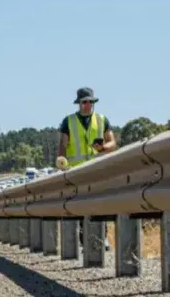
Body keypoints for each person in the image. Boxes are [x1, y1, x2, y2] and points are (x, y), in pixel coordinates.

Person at [57, 87, 117, 251]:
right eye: (84, 102)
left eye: (90, 102)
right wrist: (62, 165)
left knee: (100, 203)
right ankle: (85, 241)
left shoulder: (102, 119)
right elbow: (62, 145)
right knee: (81, 205)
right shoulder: (68, 121)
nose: (87, 105)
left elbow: (113, 143)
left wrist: (103, 147)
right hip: (76, 171)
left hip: (97, 169)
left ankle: (102, 238)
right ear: (79, 103)